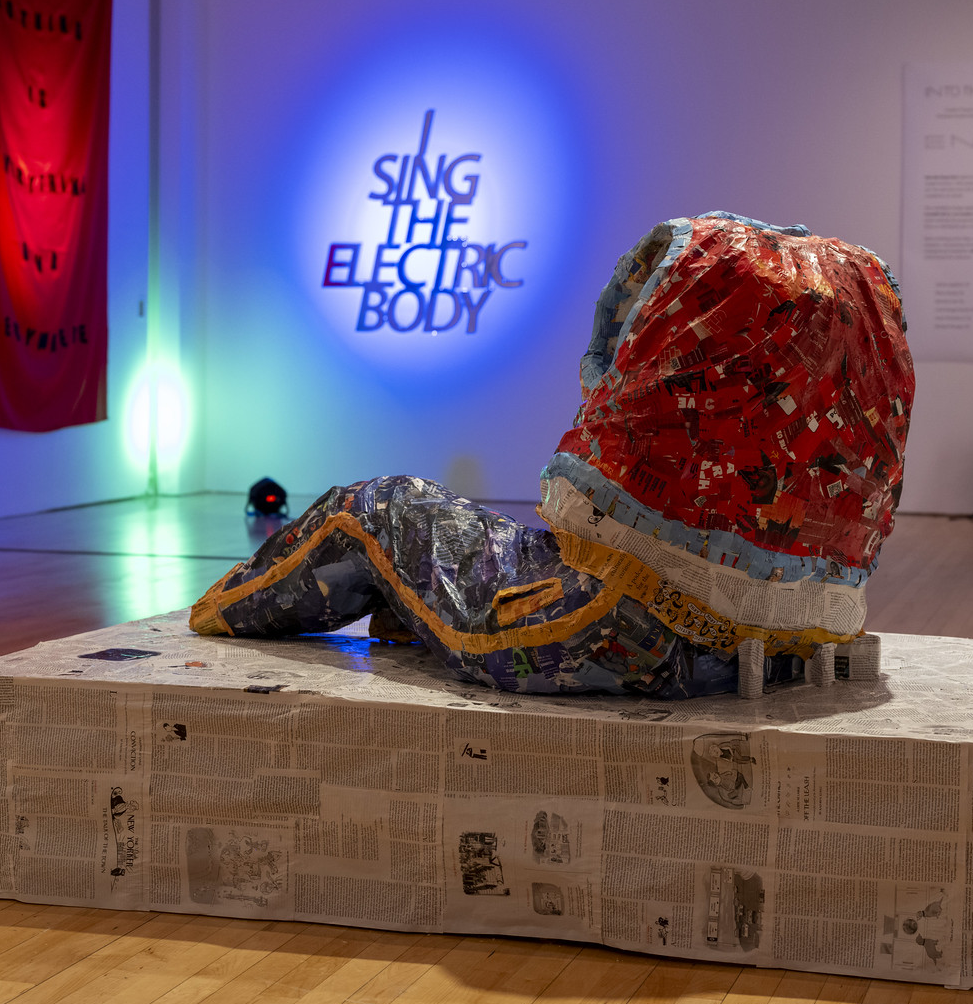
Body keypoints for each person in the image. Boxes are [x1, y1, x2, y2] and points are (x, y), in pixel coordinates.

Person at [189, 213, 916, 698]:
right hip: (800, 635)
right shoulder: (860, 284)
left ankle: (215, 613)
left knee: (373, 507)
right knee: (467, 556)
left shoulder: (701, 260)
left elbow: (601, 369)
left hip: (616, 626)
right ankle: (400, 611)